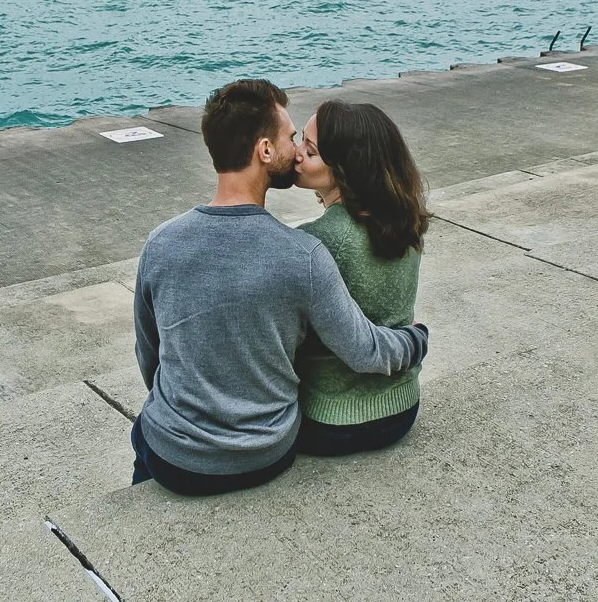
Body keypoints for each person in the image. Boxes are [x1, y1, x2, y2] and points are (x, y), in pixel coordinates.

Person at [131, 78, 429, 496]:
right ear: (266, 150)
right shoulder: (303, 253)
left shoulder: (160, 243)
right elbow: (364, 348)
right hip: (269, 452)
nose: (297, 150)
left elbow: (150, 353)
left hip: (177, 458)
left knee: (145, 439)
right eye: (292, 138)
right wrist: (416, 338)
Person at [293, 100, 430, 456]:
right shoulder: (406, 223)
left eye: (310, 151)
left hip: (331, 420)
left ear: (343, 169)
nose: (297, 154)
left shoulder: (319, 239)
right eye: (300, 141)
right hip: (402, 408)